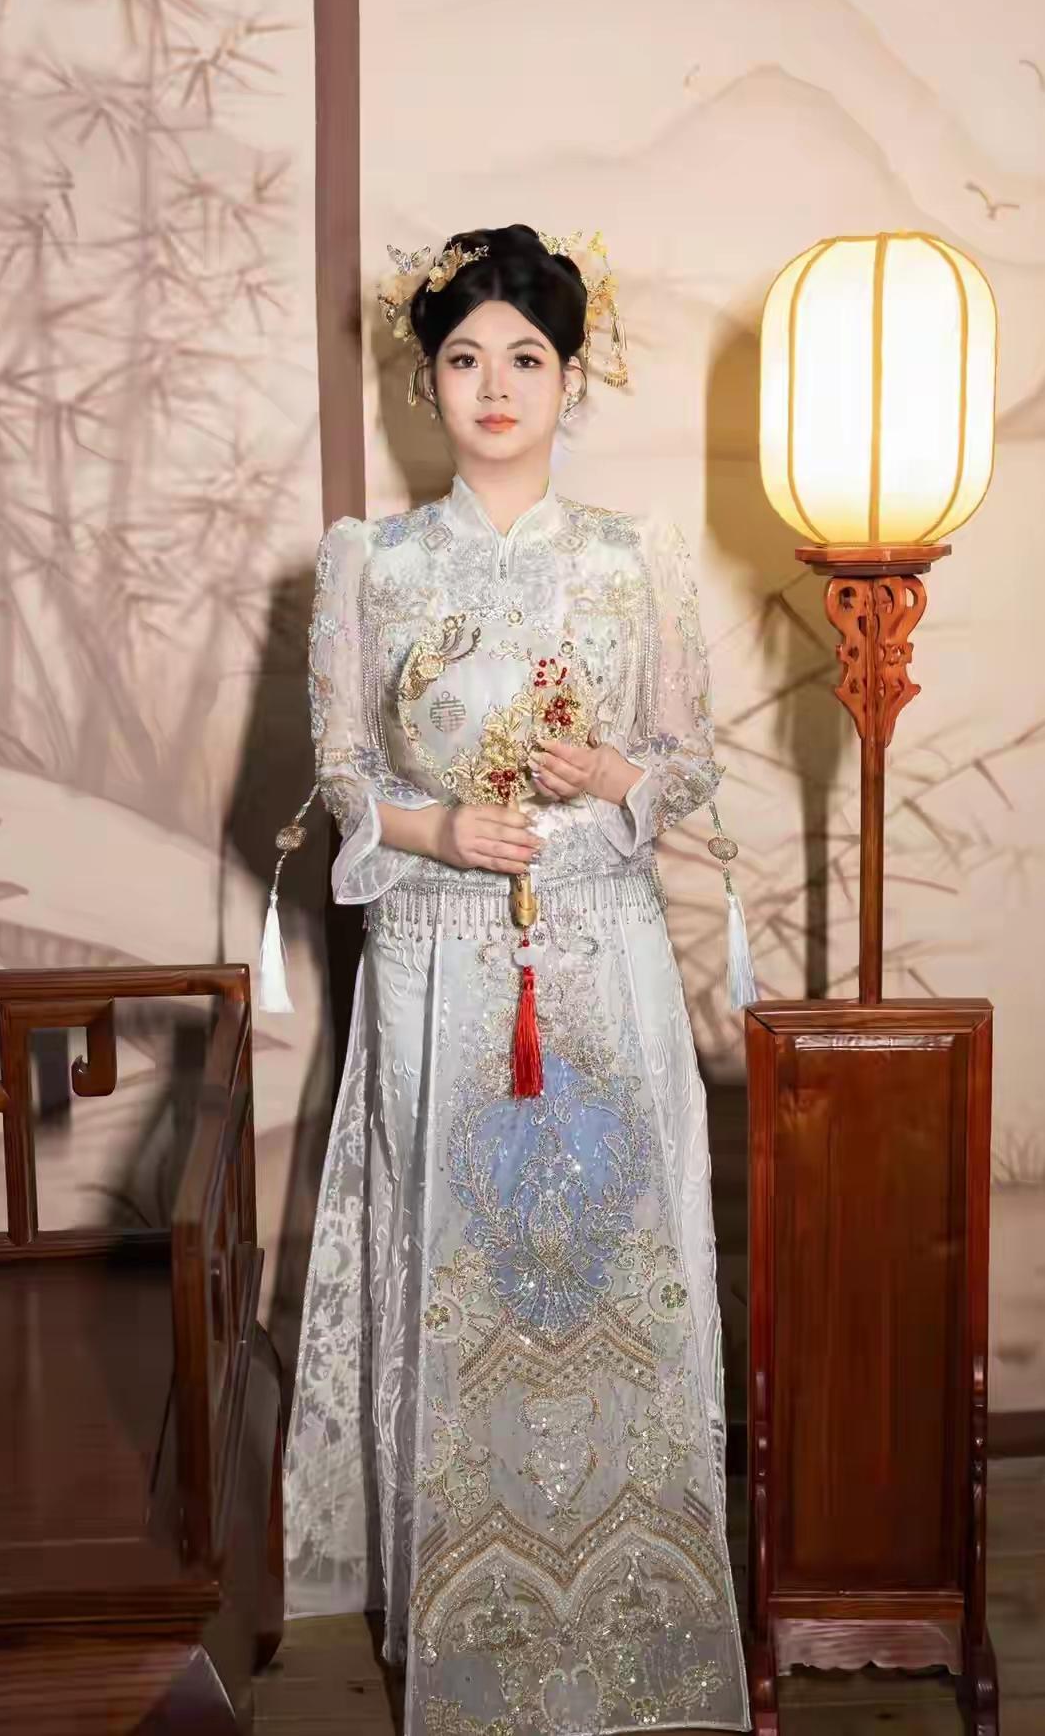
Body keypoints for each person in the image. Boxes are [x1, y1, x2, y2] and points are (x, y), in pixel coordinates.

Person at [267, 223, 753, 1735]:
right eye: (464, 357)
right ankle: (469, 1626)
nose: (495, 386)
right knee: (462, 1262)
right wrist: (436, 830)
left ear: (569, 379)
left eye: (525, 358)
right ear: (425, 382)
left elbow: (687, 762)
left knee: (609, 1258)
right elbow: (342, 771)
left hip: (599, 957)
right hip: (438, 965)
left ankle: (636, 1619)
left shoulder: (633, 557)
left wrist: (609, 773)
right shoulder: (370, 560)